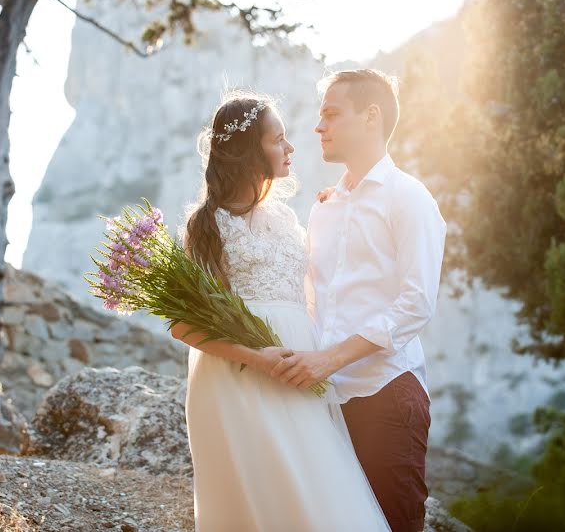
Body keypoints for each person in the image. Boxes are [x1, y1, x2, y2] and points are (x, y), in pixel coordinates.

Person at [171, 90, 391, 531]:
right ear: (247, 151)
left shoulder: (287, 219)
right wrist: (259, 357)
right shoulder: (206, 225)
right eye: (278, 139)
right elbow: (184, 325)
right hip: (240, 375)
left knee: (321, 492)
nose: (290, 147)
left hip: (300, 366)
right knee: (268, 498)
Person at [271, 69, 447, 532]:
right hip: (325, 400)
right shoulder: (323, 207)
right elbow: (315, 300)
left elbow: (415, 304)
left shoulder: (410, 198)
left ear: (371, 117)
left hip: (386, 393)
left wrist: (330, 359)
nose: (318, 127)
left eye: (330, 113)